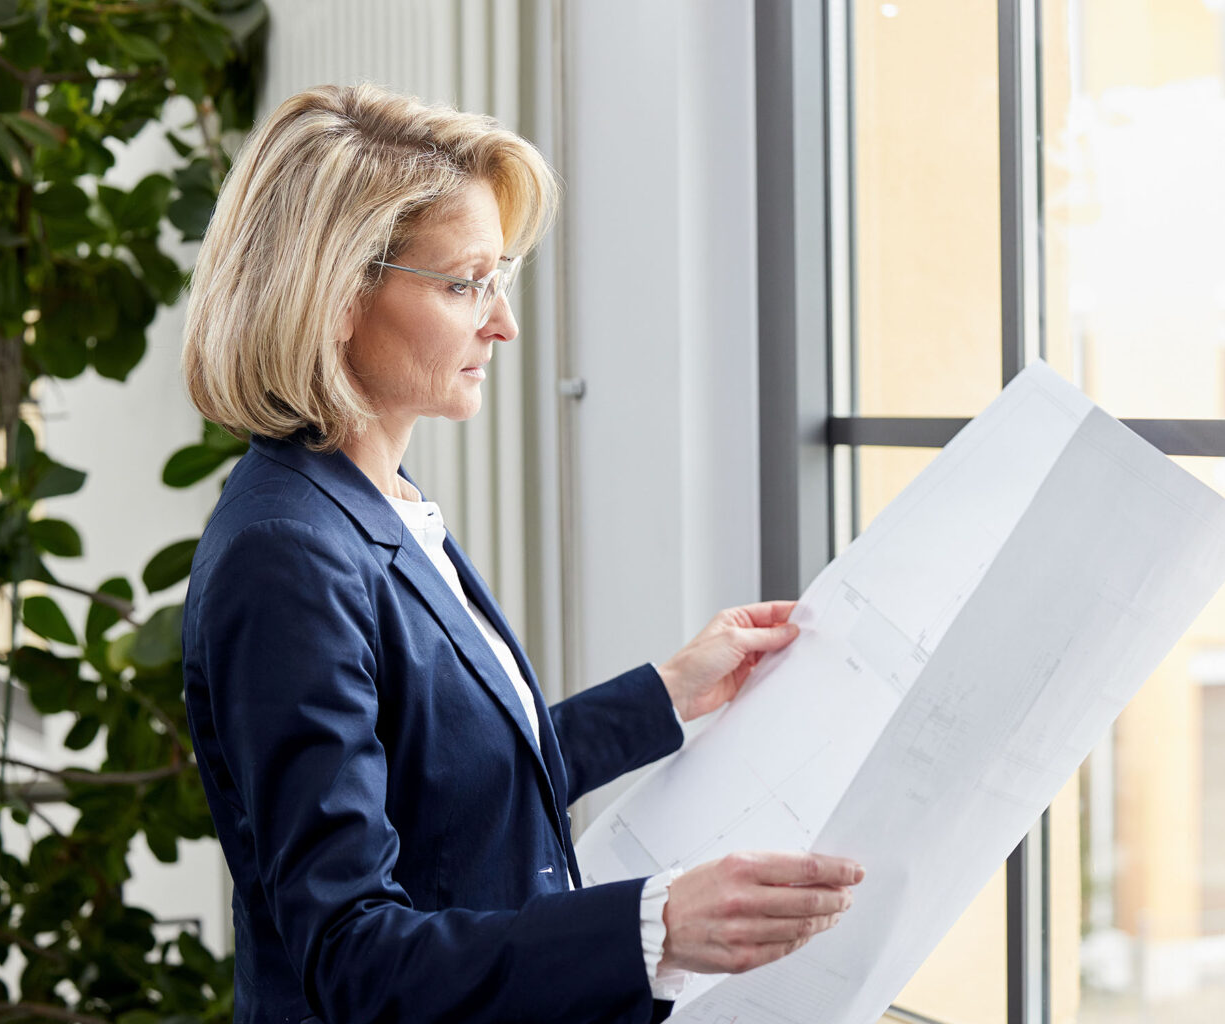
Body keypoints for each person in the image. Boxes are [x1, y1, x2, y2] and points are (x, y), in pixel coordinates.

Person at [178, 83, 862, 1024]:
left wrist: (664, 695)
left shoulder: (377, 503)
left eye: (501, 280)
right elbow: (351, 957)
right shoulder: (288, 554)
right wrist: (652, 926)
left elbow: (444, 788)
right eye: (466, 284)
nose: (500, 323)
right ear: (336, 294)